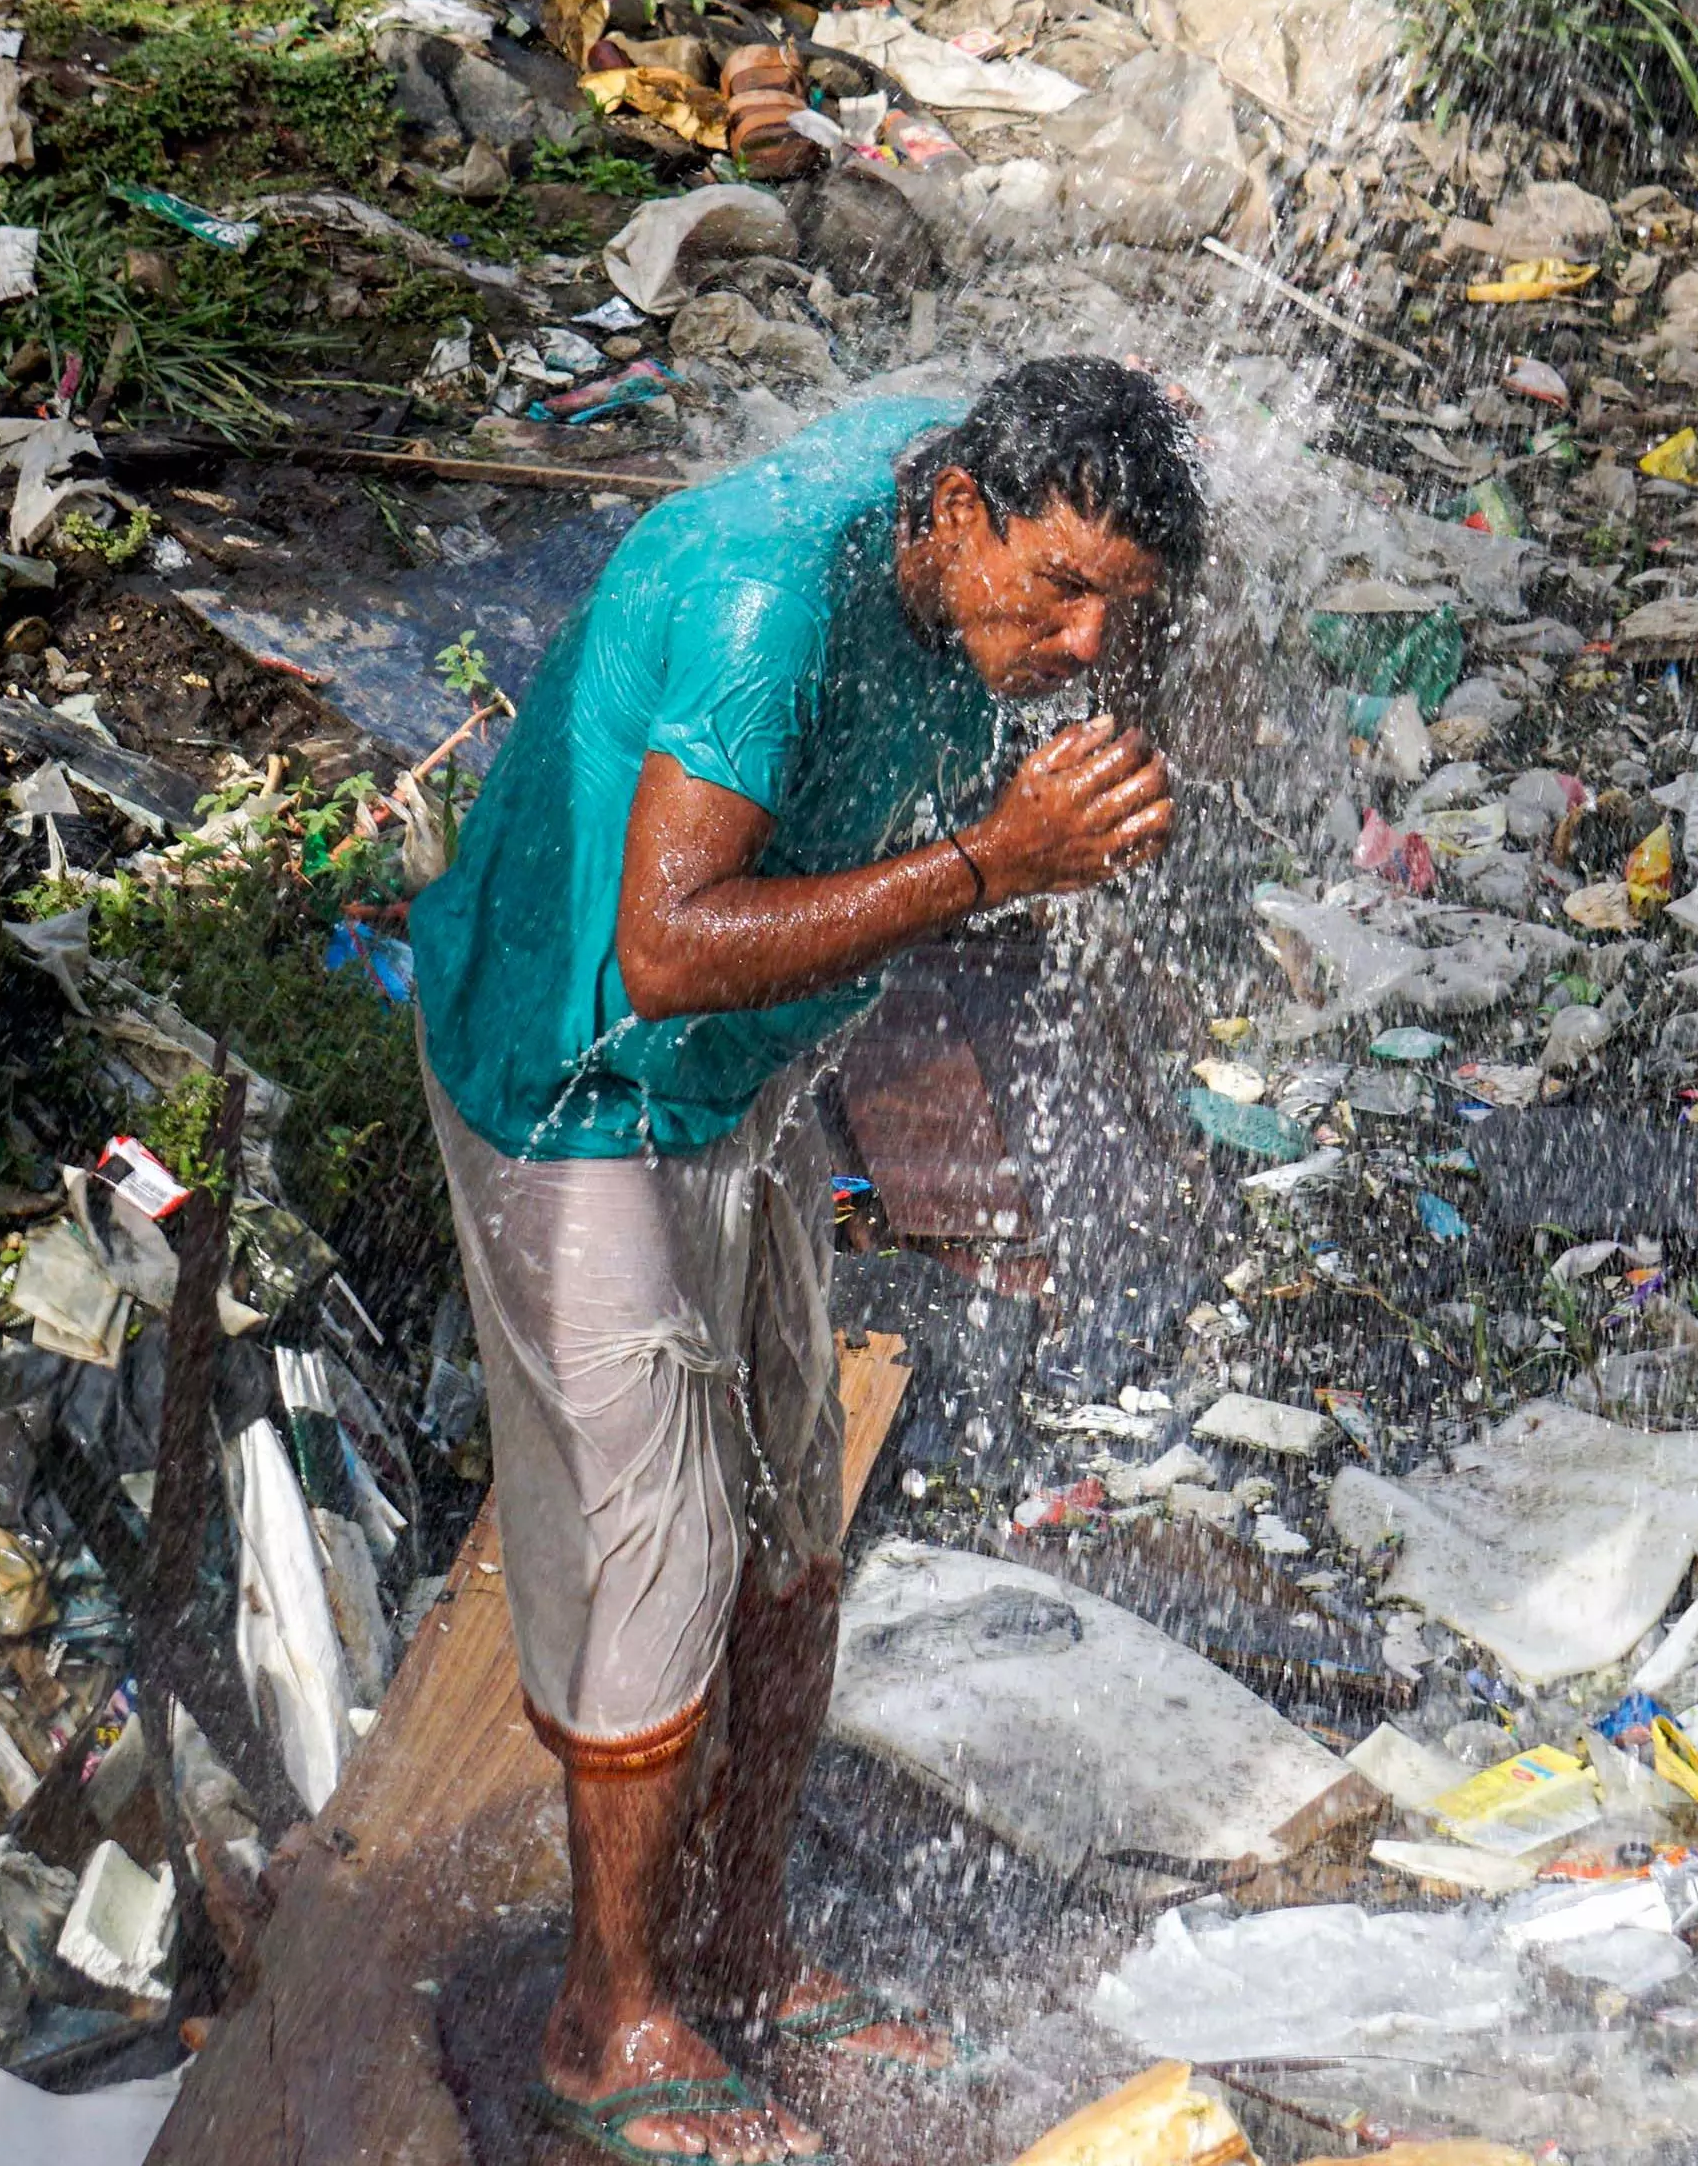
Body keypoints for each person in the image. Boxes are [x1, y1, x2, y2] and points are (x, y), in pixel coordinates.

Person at [407, 357, 1206, 2163]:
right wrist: (994, 862)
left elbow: (1125, 491)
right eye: (1056, 590)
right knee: (660, 1550)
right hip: (582, 1082)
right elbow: (670, 948)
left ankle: (740, 1946)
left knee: (789, 1538)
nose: (1080, 642)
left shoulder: (986, 510)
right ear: (951, 511)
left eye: (1118, 611)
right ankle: (604, 2020)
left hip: (746, 1082)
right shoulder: (772, 596)